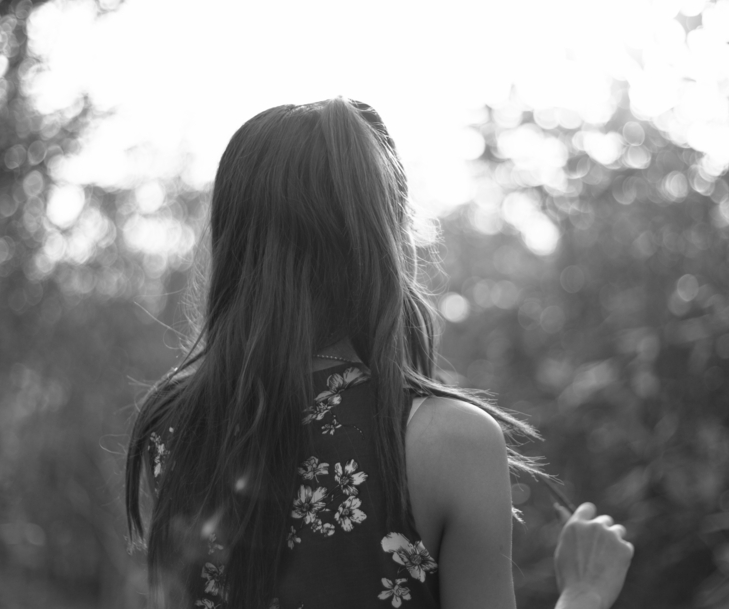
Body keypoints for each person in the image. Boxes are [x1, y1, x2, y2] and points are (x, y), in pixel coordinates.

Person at [124, 97, 633, 609]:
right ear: (380, 241)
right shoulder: (450, 442)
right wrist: (585, 593)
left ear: (235, 239)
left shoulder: (174, 423)